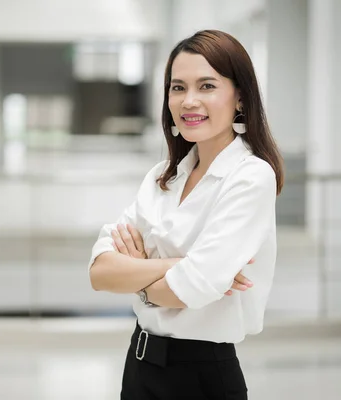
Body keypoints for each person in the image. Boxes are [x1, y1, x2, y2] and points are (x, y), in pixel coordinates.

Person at [88, 29, 284, 400]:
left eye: (206, 86)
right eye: (178, 88)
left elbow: (189, 288)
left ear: (239, 97)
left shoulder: (250, 176)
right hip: (140, 365)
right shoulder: (163, 177)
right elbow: (100, 272)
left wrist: (138, 273)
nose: (189, 101)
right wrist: (179, 265)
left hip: (201, 376)